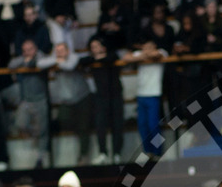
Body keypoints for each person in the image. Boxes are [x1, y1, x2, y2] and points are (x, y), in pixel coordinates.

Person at [40, 42, 93, 167]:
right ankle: (75, 129)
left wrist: (58, 62)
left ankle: (83, 156)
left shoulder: (73, 57)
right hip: (67, 101)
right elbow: (40, 63)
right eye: (57, 51)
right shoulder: (55, 59)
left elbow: (70, 66)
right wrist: (57, 60)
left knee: (83, 127)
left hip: (82, 97)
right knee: (63, 119)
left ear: (68, 51)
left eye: (62, 50)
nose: (60, 53)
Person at [78, 36, 123, 165]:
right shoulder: (92, 60)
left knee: (117, 125)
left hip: (115, 95)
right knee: (100, 125)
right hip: (100, 96)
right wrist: (95, 58)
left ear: (103, 47)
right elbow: (82, 61)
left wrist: (100, 58)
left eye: (97, 46)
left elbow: (112, 58)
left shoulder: (112, 56)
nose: (94, 49)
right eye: (92, 47)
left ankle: (116, 153)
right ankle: (103, 152)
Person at [7, 38, 50, 169]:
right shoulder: (21, 59)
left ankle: (40, 158)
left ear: (35, 49)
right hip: (26, 100)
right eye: (24, 50)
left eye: (30, 49)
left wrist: (29, 62)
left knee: (42, 130)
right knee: (20, 124)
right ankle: (33, 134)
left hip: (40, 100)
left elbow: (39, 63)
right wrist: (25, 60)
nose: (27, 52)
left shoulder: (41, 57)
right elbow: (11, 65)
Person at [122, 38, 168, 157]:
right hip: (141, 94)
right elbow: (126, 57)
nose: (146, 49)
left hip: (154, 94)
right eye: (144, 47)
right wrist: (143, 56)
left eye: (149, 47)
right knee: (142, 125)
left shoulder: (162, 51)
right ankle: (148, 151)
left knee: (154, 125)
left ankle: (158, 152)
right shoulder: (141, 54)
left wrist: (144, 55)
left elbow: (157, 55)